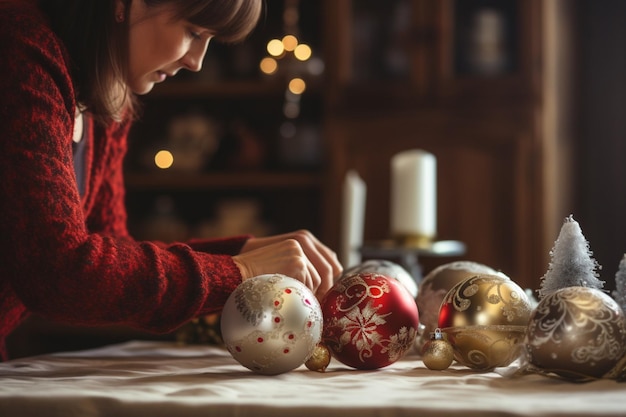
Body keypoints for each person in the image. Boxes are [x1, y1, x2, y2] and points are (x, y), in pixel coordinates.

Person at [0, 0, 342, 361]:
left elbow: (109, 251)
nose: (196, 61)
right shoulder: (20, 47)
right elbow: (61, 276)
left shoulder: (106, 89)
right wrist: (239, 271)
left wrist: (242, 253)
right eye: (193, 32)